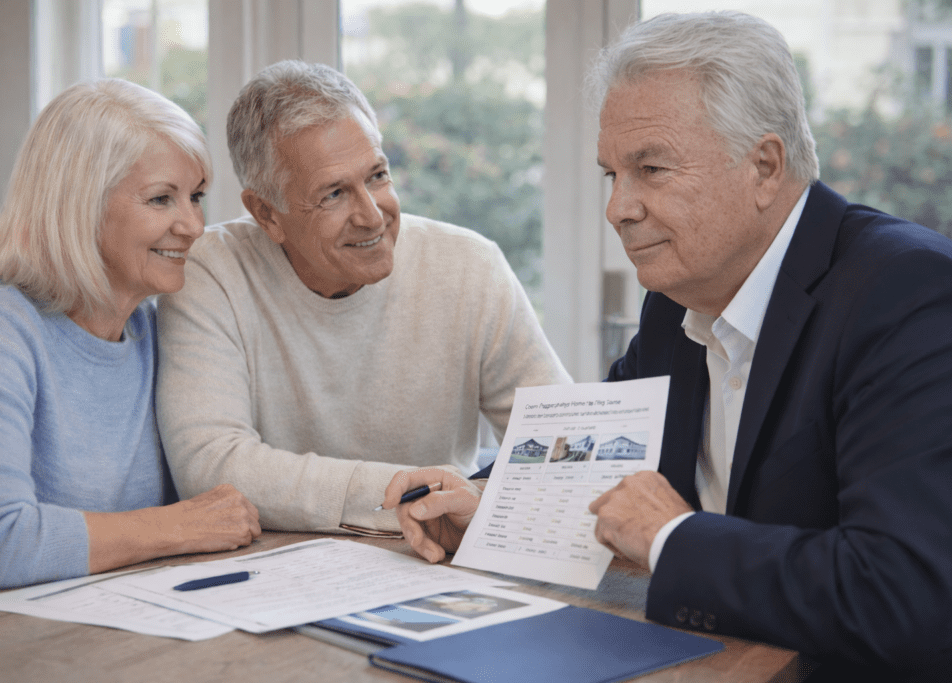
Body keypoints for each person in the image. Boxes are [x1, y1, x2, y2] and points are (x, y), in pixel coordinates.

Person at [383, 11, 952, 678]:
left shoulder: (909, 293)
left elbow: (903, 593)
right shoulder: (676, 300)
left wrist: (673, 536)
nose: (617, 208)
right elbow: (601, 468)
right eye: (611, 175)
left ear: (764, 166)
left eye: (650, 168)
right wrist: (492, 509)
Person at [156, 61, 570, 535]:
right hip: (275, 563)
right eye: (334, 194)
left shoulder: (470, 266)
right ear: (267, 214)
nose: (373, 216)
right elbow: (210, 465)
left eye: (377, 176)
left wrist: (473, 500)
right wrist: (406, 492)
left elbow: (566, 438)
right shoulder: (210, 271)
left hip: (439, 552)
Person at [0, 79, 261, 601]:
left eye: (195, 196)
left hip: (119, 620)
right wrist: (178, 525)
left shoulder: (156, 331)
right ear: (79, 205)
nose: (194, 225)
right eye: (161, 199)